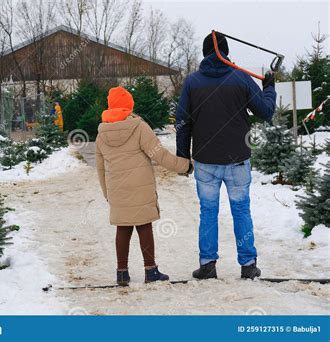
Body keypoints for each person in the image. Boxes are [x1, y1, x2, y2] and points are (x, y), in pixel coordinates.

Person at [175, 32, 276, 280]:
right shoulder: (240, 79)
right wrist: (270, 88)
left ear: (204, 52)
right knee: (241, 210)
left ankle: (208, 264)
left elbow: (182, 121)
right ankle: (248, 265)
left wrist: (182, 156)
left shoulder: (192, 82)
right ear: (226, 51)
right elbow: (265, 112)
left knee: (208, 212)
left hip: (205, 160)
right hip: (237, 160)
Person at [96, 86, 192, 286]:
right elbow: (160, 155)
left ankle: (121, 273)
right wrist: (184, 166)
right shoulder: (139, 127)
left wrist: (108, 194)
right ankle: (151, 271)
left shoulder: (101, 133)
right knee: (144, 225)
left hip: (117, 190)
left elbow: (100, 169)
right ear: (129, 106)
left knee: (122, 228)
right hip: (141, 187)